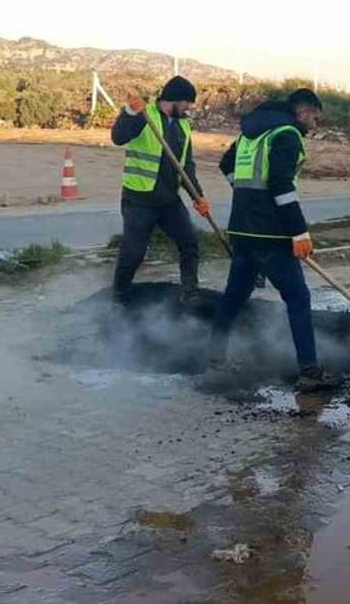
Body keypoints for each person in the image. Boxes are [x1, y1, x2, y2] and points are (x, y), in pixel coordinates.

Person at [210, 89, 336, 392]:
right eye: (314, 118)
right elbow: (281, 184)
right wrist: (299, 232)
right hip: (271, 235)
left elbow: (226, 165)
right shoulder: (287, 134)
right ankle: (309, 371)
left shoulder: (250, 134)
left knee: (234, 296)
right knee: (297, 298)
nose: (314, 125)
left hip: (241, 231)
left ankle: (214, 359)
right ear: (302, 112)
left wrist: (246, 197)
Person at [111, 75, 210, 304]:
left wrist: (198, 196)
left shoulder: (183, 125)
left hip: (169, 201)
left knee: (189, 243)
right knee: (133, 253)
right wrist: (129, 112)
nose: (189, 107)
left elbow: (186, 166)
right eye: (187, 102)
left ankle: (190, 292)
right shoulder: (145, 116)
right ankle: (119, 296)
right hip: (139, 199)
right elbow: (118, 137)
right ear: (174, 99)